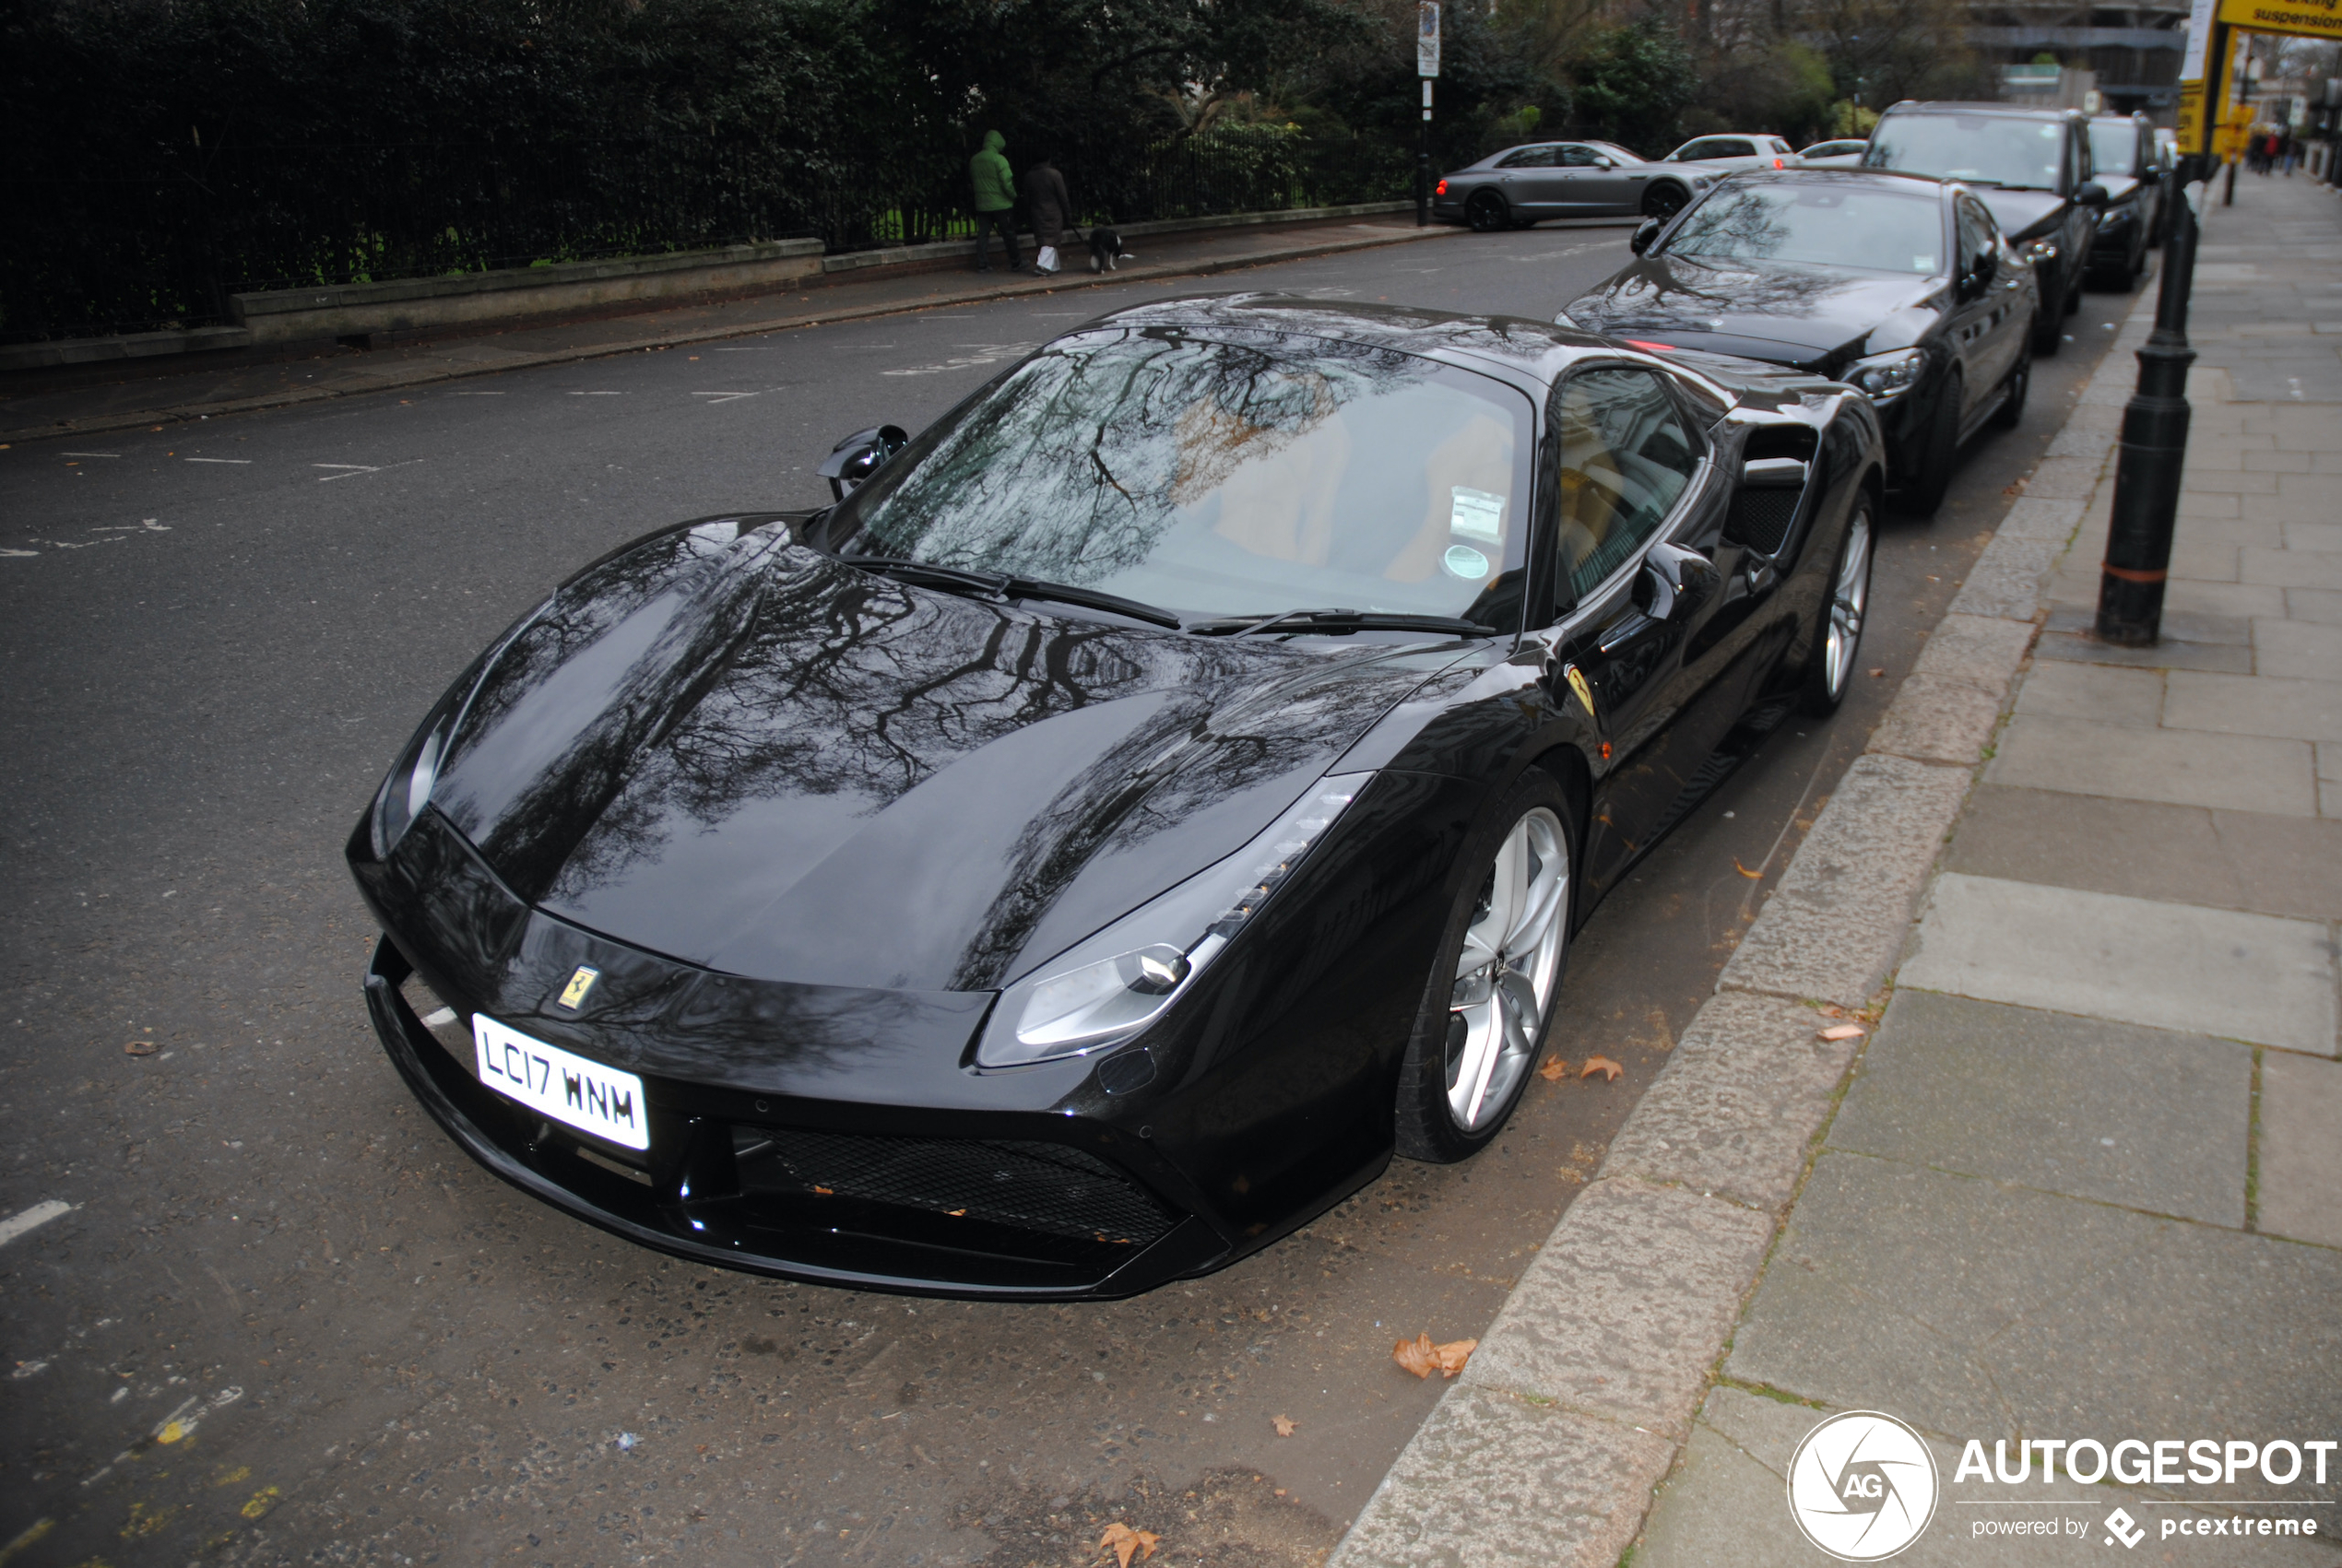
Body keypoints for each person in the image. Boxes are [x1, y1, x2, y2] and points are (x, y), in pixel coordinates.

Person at [969, 130, 1022, 273]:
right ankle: (1016, 262)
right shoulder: (999, 159)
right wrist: (1013, 195)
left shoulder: (974, 160)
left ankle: (982, 264)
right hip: (1001, 204)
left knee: (983, 234)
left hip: (982, 204)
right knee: (1008, 234)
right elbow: (1007, 183)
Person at [1023, 156, 1072, 276]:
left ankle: (1054, 266)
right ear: (1048, 160)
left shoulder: (1029, 176)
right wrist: (1068, 214)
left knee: (1045, 236)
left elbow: (1026, 197)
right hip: (1053, 211)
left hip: (1036, 211)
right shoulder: (1054, 175)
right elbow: (1063, 197)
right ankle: (1043, 266)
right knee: (1050, 239)